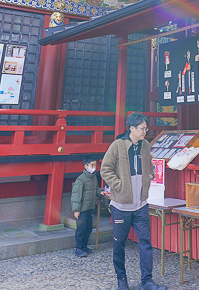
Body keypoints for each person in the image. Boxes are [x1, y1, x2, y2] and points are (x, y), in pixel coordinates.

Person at [100, 113, 166, 290]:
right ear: (132, 128)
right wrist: (119, 185)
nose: (146, 131)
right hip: (121, 205)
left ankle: (147, 281)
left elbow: (149, 163)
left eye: (146, 128)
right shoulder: (118, 145)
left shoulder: (145, 145)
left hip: (141, 204)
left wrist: (150, 175)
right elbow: (105, 169)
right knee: (119, 243)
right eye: (142, 128)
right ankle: (122, 280)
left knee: (145, 243)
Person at [70, 155, 101, 257]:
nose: (94, 167)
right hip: (82, 209)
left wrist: (101, 192)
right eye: (92, 165)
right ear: (85, 166)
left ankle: (84, 246)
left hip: (90, 207)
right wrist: (76, 209)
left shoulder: (93, 177)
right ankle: (78, 248)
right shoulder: (81, 179)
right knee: (81, 229)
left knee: (88, 228)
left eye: (95, 165)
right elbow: (76, 195)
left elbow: (95, 189)